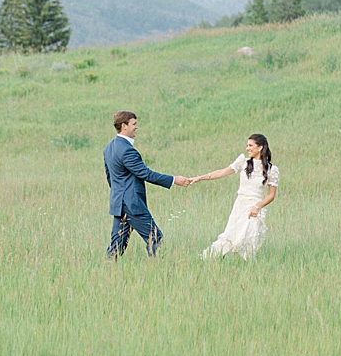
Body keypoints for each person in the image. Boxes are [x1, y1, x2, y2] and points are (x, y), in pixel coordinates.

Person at [104, 110, 191, 258]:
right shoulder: (126, 150)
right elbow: (145, 173)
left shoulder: (109, 147)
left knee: (116, 247)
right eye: (134, 124)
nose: (136, 127)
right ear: (124, 126)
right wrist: (173, 179)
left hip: (119, 204)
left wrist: (120, 197)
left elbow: (110, 177)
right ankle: (155, 270)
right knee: (155, 238)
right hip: (132, 204)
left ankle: (106, 271)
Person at [190, 133, 278, 261]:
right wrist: (199, 178)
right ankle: (208, 259)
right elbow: (221, 172)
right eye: (247, 145)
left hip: (254, 209)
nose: (247, 148)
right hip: (240, 205)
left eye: (250, 145)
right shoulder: (243, 162)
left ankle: (246, 269)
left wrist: (257, 207)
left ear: (260, 147)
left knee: (248, 241)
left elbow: (271, 195)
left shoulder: (271, 169)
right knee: (230, 236)